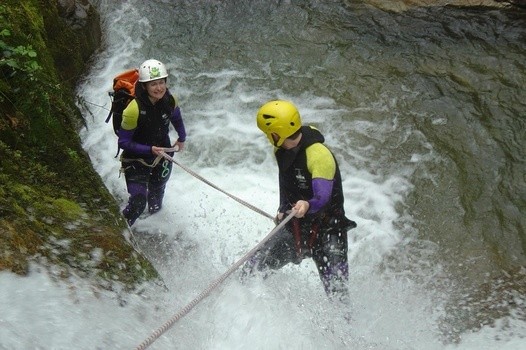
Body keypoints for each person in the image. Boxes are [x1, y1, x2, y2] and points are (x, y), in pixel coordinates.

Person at [242, 99, 356, 300]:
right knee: (252, 269)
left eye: (268, 134)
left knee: (338, 295)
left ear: (276, 133)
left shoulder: (319, 155)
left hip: (329, 232)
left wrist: (307, 204)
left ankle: (345, 330)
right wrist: (283, 207)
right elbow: (285, 183)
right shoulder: (281, 151)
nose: (268, 138)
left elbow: (323, 196)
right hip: (295, 227)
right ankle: (238, 307)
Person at [118, 59, 187, 226]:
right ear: (144, 87)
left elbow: (177, 119)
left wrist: (182, 138)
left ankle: (152, 230)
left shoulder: (170, 100)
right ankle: (121, 229)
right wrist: (150, 150)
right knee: (138, 202)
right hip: (136, 159)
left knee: (156, 199)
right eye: (153, 84)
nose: (159, 88)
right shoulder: (133, 109)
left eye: (161, 82)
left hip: (163, 154)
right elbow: (123, 142)